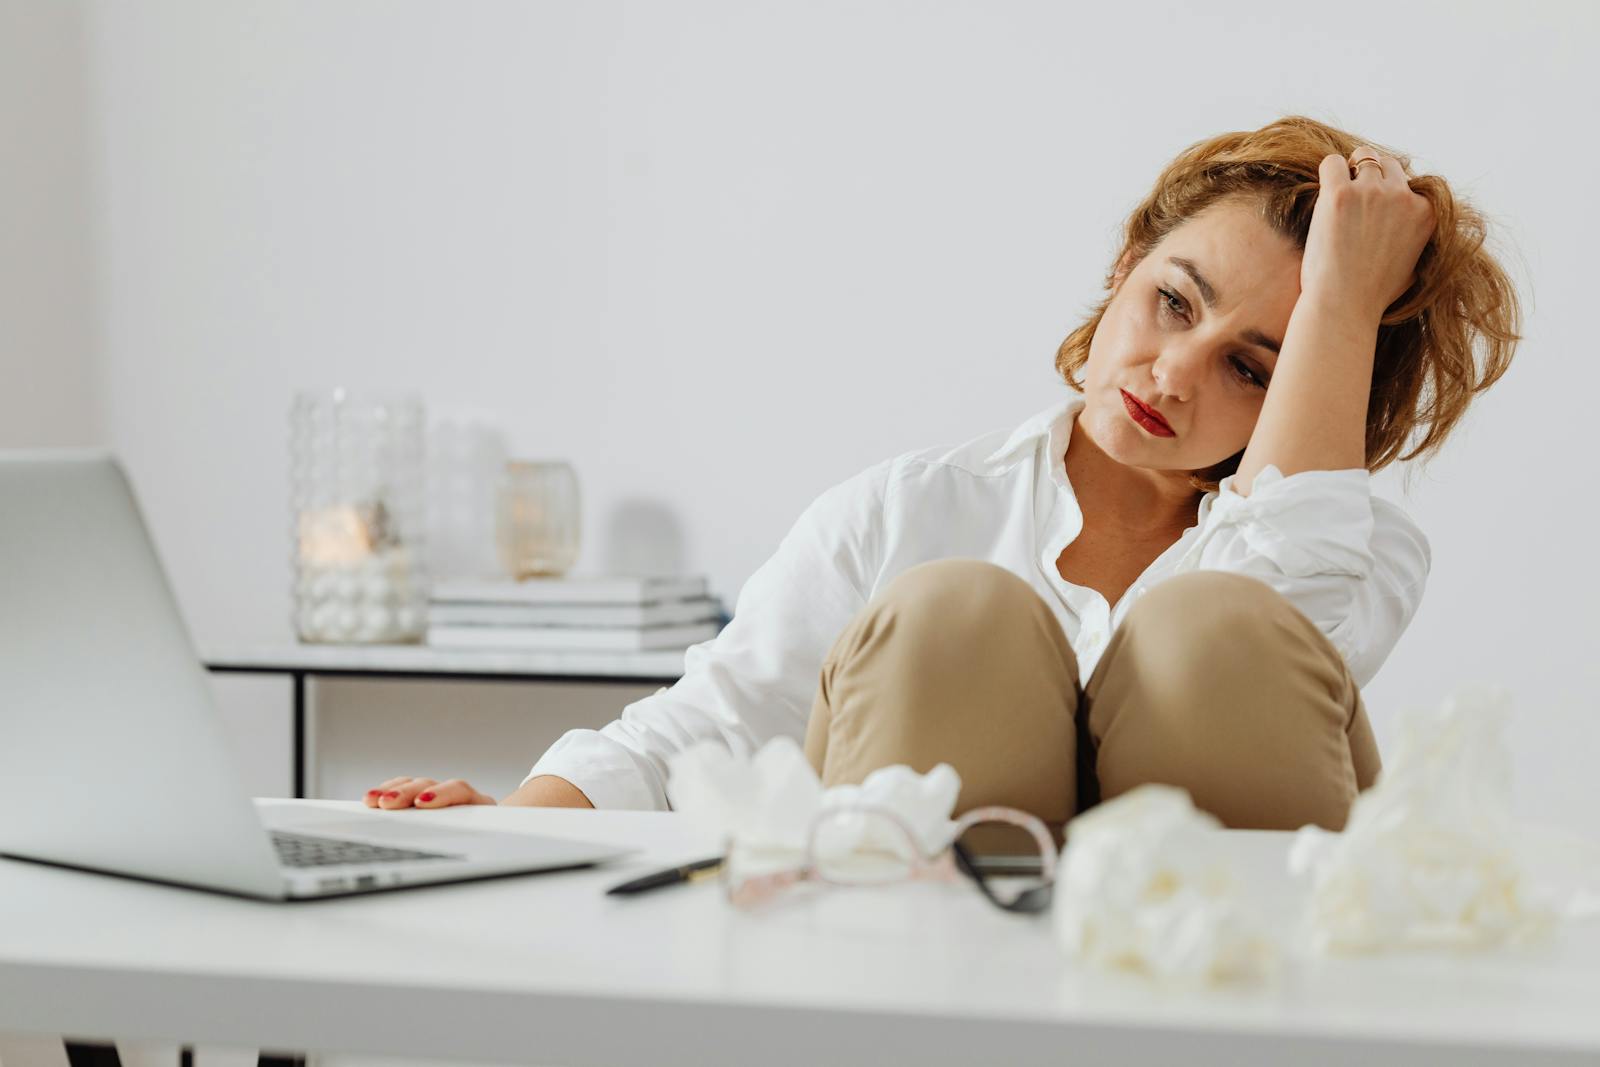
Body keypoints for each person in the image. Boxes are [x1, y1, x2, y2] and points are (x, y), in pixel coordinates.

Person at [362, 114, 1521, 831]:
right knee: (954, 611)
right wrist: (519, 825)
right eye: (1170, 300)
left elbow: (1276, 607)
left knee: (1214, 632)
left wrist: (1342, 305)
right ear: (1123, 265)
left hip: (1215, 965)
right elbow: (707, 723)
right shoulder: (913, 507)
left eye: (1252, 367)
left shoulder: (1355, 550)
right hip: (922, 949)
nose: (1170, 374)